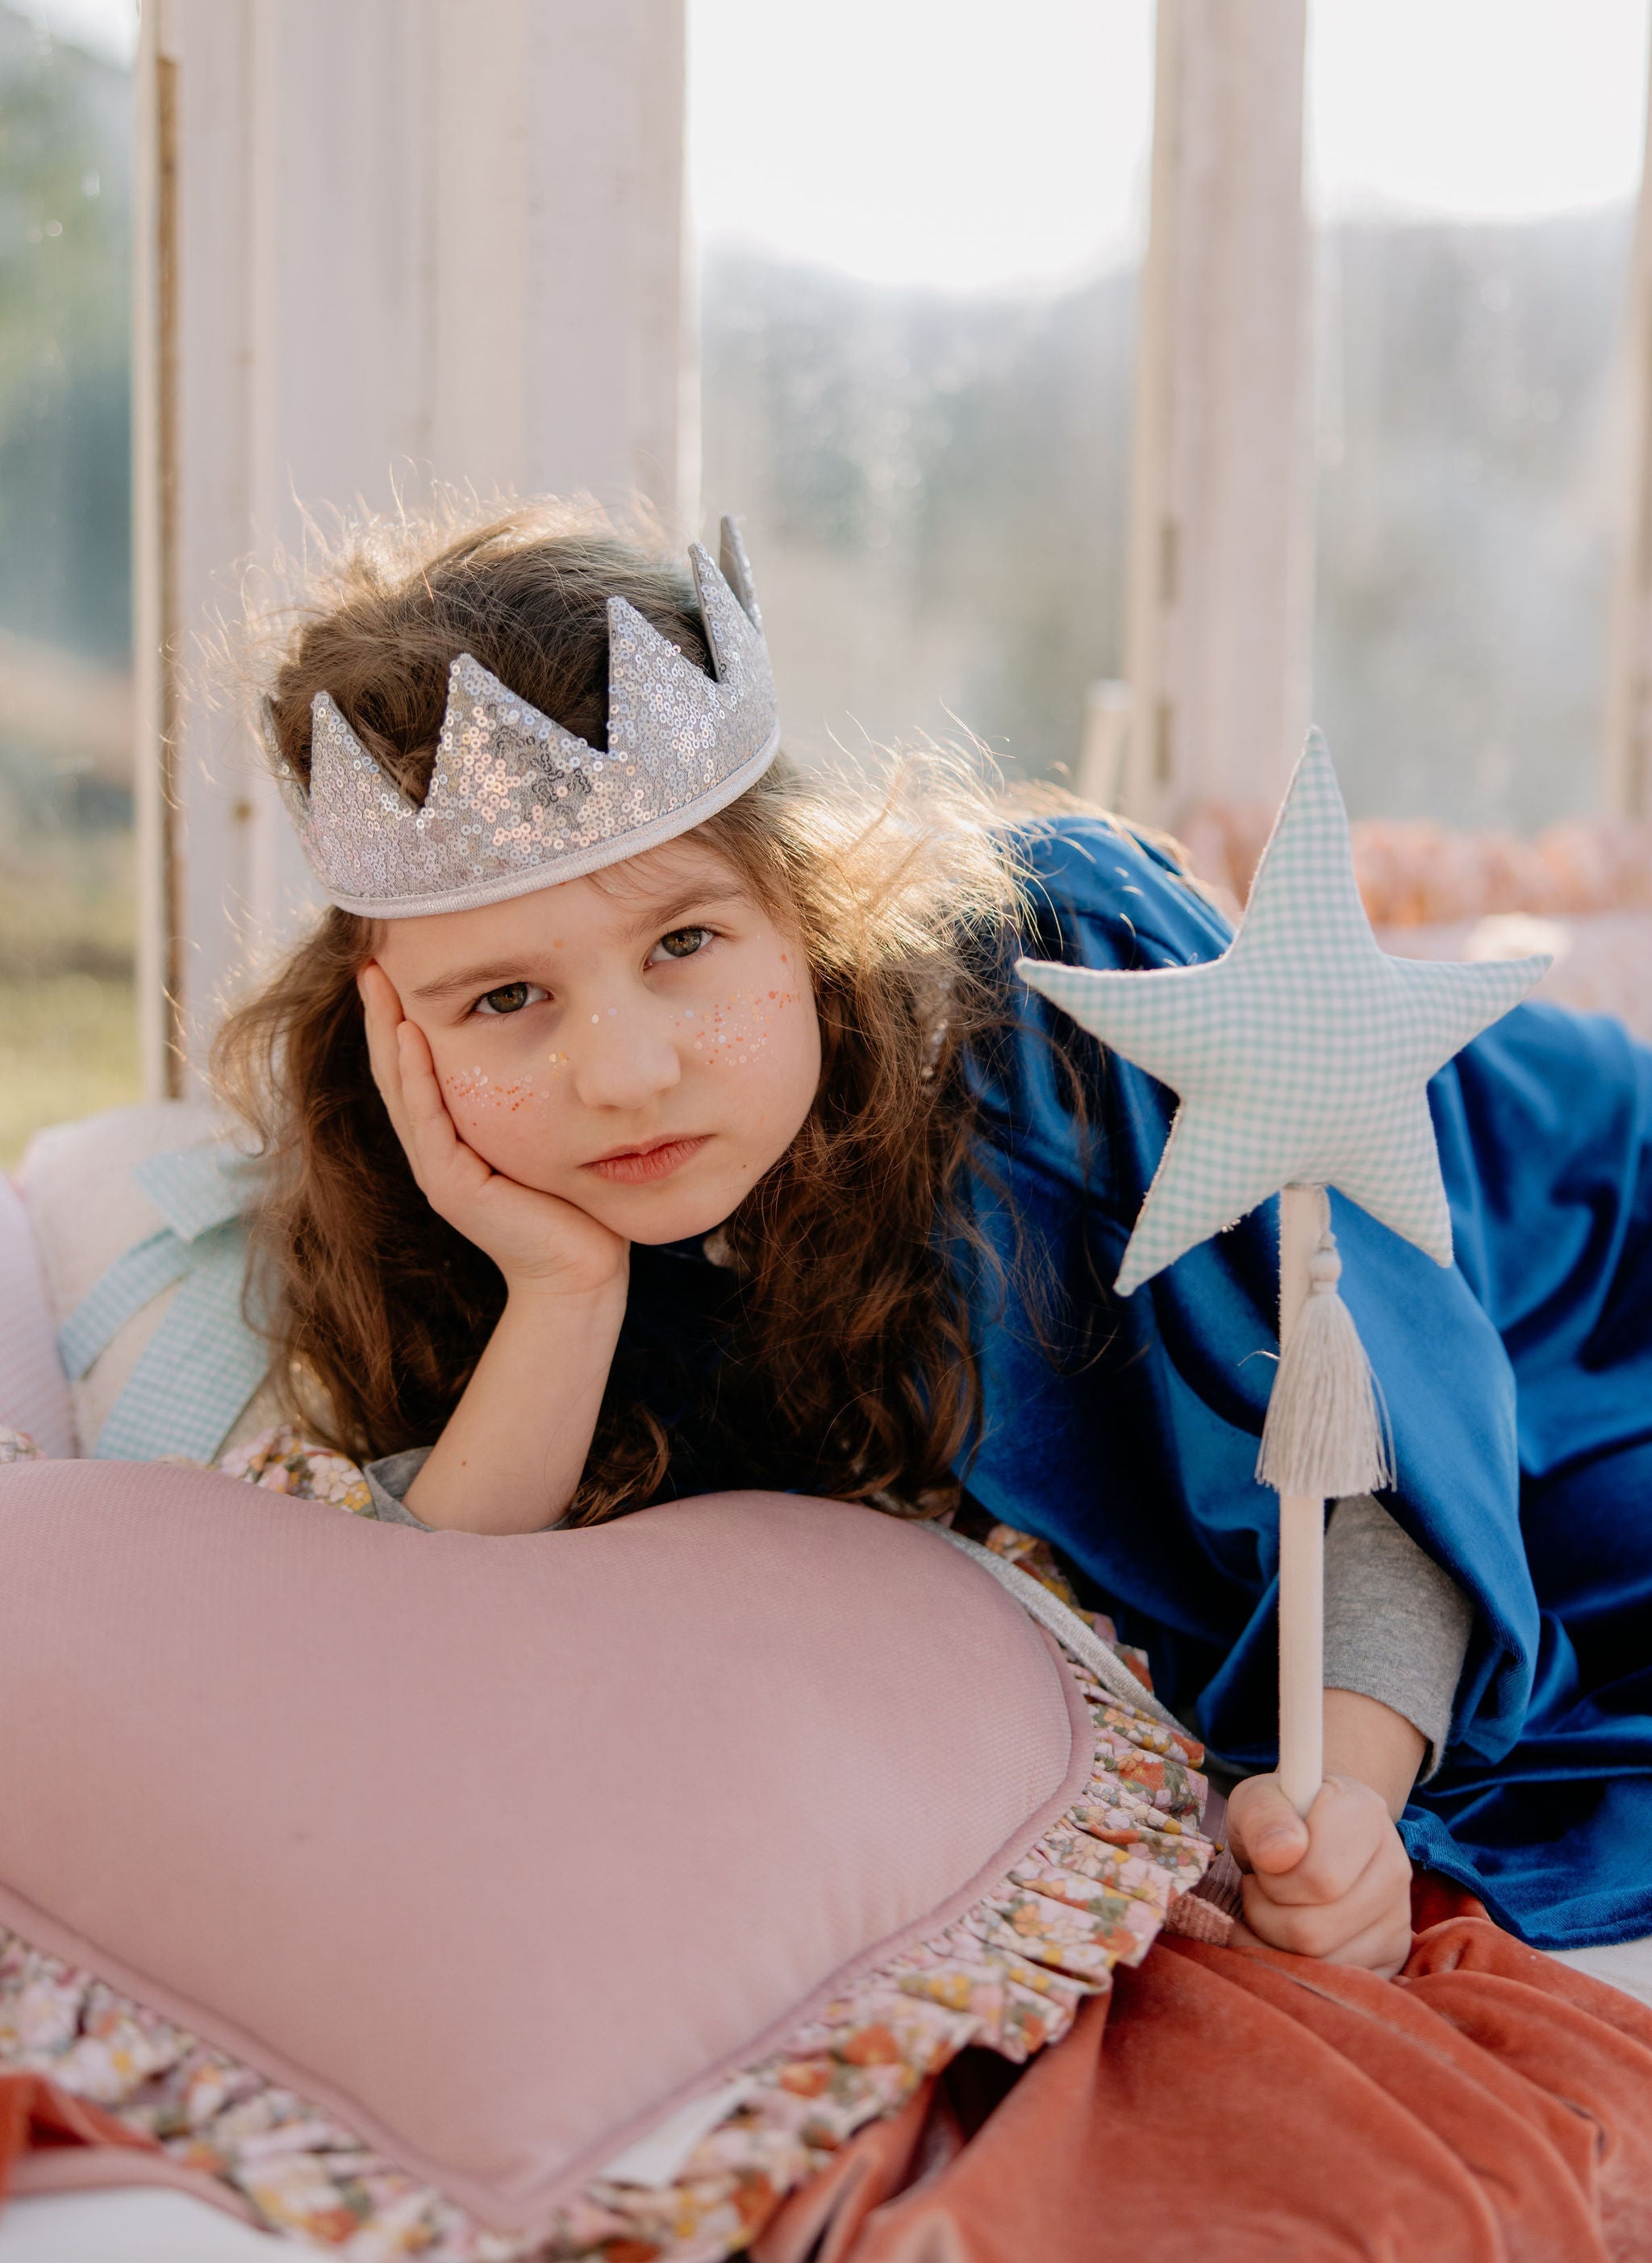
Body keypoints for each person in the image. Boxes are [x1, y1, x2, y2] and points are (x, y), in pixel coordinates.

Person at [220, 498, 1652, 1969]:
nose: (625, 1073)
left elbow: (1390, 1443)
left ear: (807, 909)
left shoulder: (1073, 1006)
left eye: (686, 945)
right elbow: (422, 1646)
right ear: (389, 1031)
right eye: (502, 1001)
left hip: (1576, 1237)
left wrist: (1345, 1802)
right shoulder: (441, 1200)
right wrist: (561, 1291)